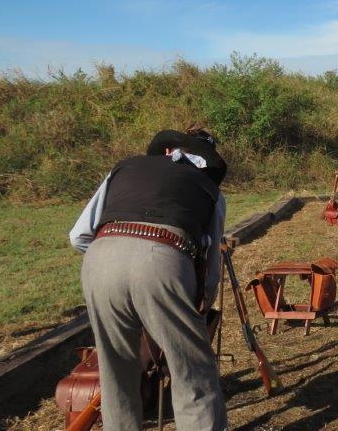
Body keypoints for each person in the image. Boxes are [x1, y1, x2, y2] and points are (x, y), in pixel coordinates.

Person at [68, 125, 229, 431]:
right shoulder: (210, 190)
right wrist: (200, 305)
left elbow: (79, 236)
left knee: (116, 371)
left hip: (100, 259)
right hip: (163, 259)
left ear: (166, 150)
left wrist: (113, 257)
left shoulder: (124, 168)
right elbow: (210, 266)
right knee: (192, 372)